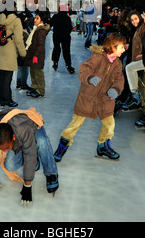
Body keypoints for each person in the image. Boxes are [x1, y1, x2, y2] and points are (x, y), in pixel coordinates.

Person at [54, 33, 126, 162]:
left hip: (105, 99)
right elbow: (84, 68)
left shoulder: (118, 63)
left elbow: (120, 79)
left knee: (109, 125)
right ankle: (62, 146)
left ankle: (103, 146)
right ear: (113, 47)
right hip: (87, 97)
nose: (124, 49)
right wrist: (90, 78)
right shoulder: (98, 57)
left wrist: (116, 89)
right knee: (75, 124)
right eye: (122, 47)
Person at [0, 107, 59, 203]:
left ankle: (51, 173)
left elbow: (29, 154)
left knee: (42, 142)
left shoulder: (23, 129)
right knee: (10, 166)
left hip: (32, 127)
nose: (4, 151)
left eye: (6, 148)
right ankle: (34, 160)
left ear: (13, 137)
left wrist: (27, 186)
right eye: (1, 149)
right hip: (16, 137)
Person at [0, 6, 27, 107]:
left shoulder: (0, 18)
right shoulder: (16, 21)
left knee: (0, 75)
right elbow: (18, 39)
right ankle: (7, 99)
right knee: (7, 77)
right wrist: (23, 53)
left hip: (0, 50)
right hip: (10, 51)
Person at [121, 10, 144, 111]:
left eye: (136, 19)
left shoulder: (142, 29)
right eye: (132, 20)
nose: (134, 21)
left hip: (141, 59)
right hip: (135, 57)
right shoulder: (136, 29)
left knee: (128, 68)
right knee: (126, 69)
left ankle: (135, 97)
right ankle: (130, 96)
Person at [25, 11, 50, 98]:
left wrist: (36, 55)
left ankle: (40, 90)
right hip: (33, 53)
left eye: (37, 18)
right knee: (33, 71)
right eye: (35, 18)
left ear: (42, 21)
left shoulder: (41, 31)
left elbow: (40, 44)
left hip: (38, 55)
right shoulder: (36, 28)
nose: (35, 20)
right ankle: (34, 86)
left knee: (38, 72)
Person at [51, 5, 75, 74]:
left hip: (56, 35)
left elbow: (50, 24)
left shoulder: (55, 16)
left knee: (56, 48)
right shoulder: (67, 18)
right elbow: (70, 28)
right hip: (66, 36)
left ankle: (55, 62)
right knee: (66, 50)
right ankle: (68, 65)